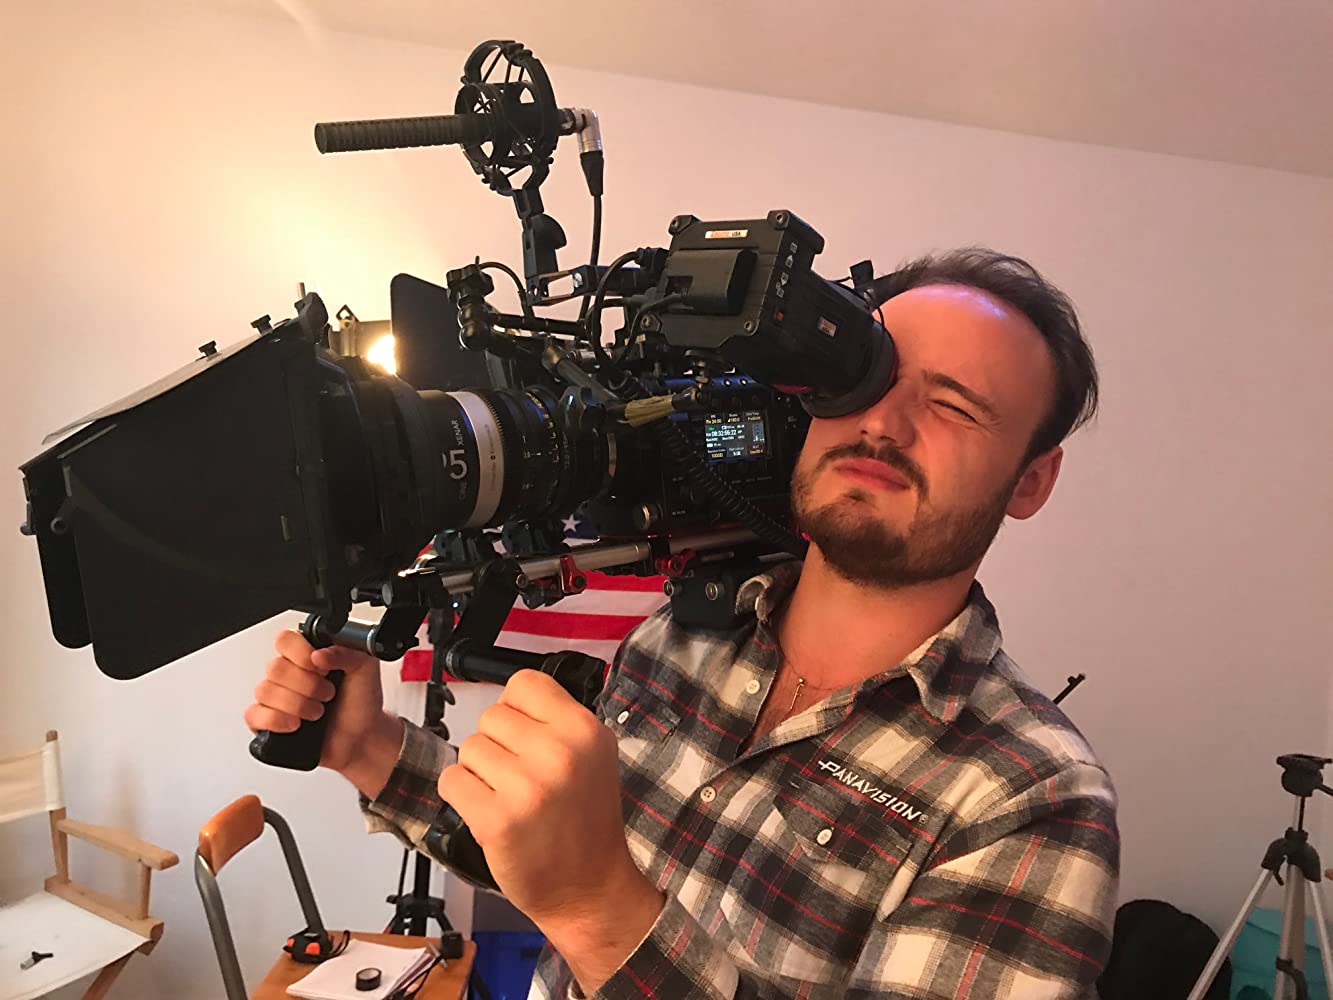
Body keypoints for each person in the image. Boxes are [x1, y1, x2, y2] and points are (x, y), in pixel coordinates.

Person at [246, 248, 1119, 999]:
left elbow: (587, 891)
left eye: (952, 406)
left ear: (1031, 480)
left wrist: (595, 907)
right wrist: (371, 751)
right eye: (860, 380)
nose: (882, 423)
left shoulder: (1031, 798)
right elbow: (554, 857)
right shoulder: (686, 634)